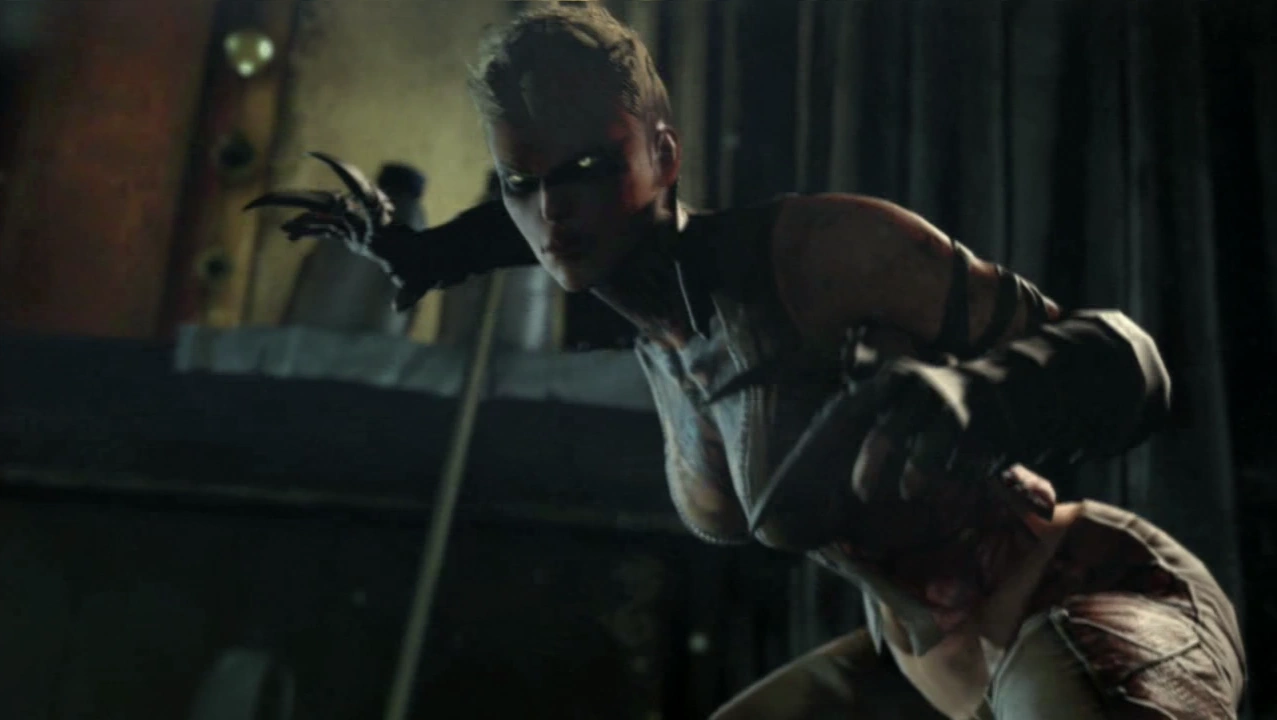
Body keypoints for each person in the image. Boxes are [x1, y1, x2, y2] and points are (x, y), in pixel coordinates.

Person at [247, 5, 1246, 718]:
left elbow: (1131, 361)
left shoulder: (815, 255)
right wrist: (423, 254)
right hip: (922, 669)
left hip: (1070, 596)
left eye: (592, 168)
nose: (555, 210)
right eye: (522, 182)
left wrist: (979, 392)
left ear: (664, 154)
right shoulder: (644, 319)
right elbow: (541, 218)